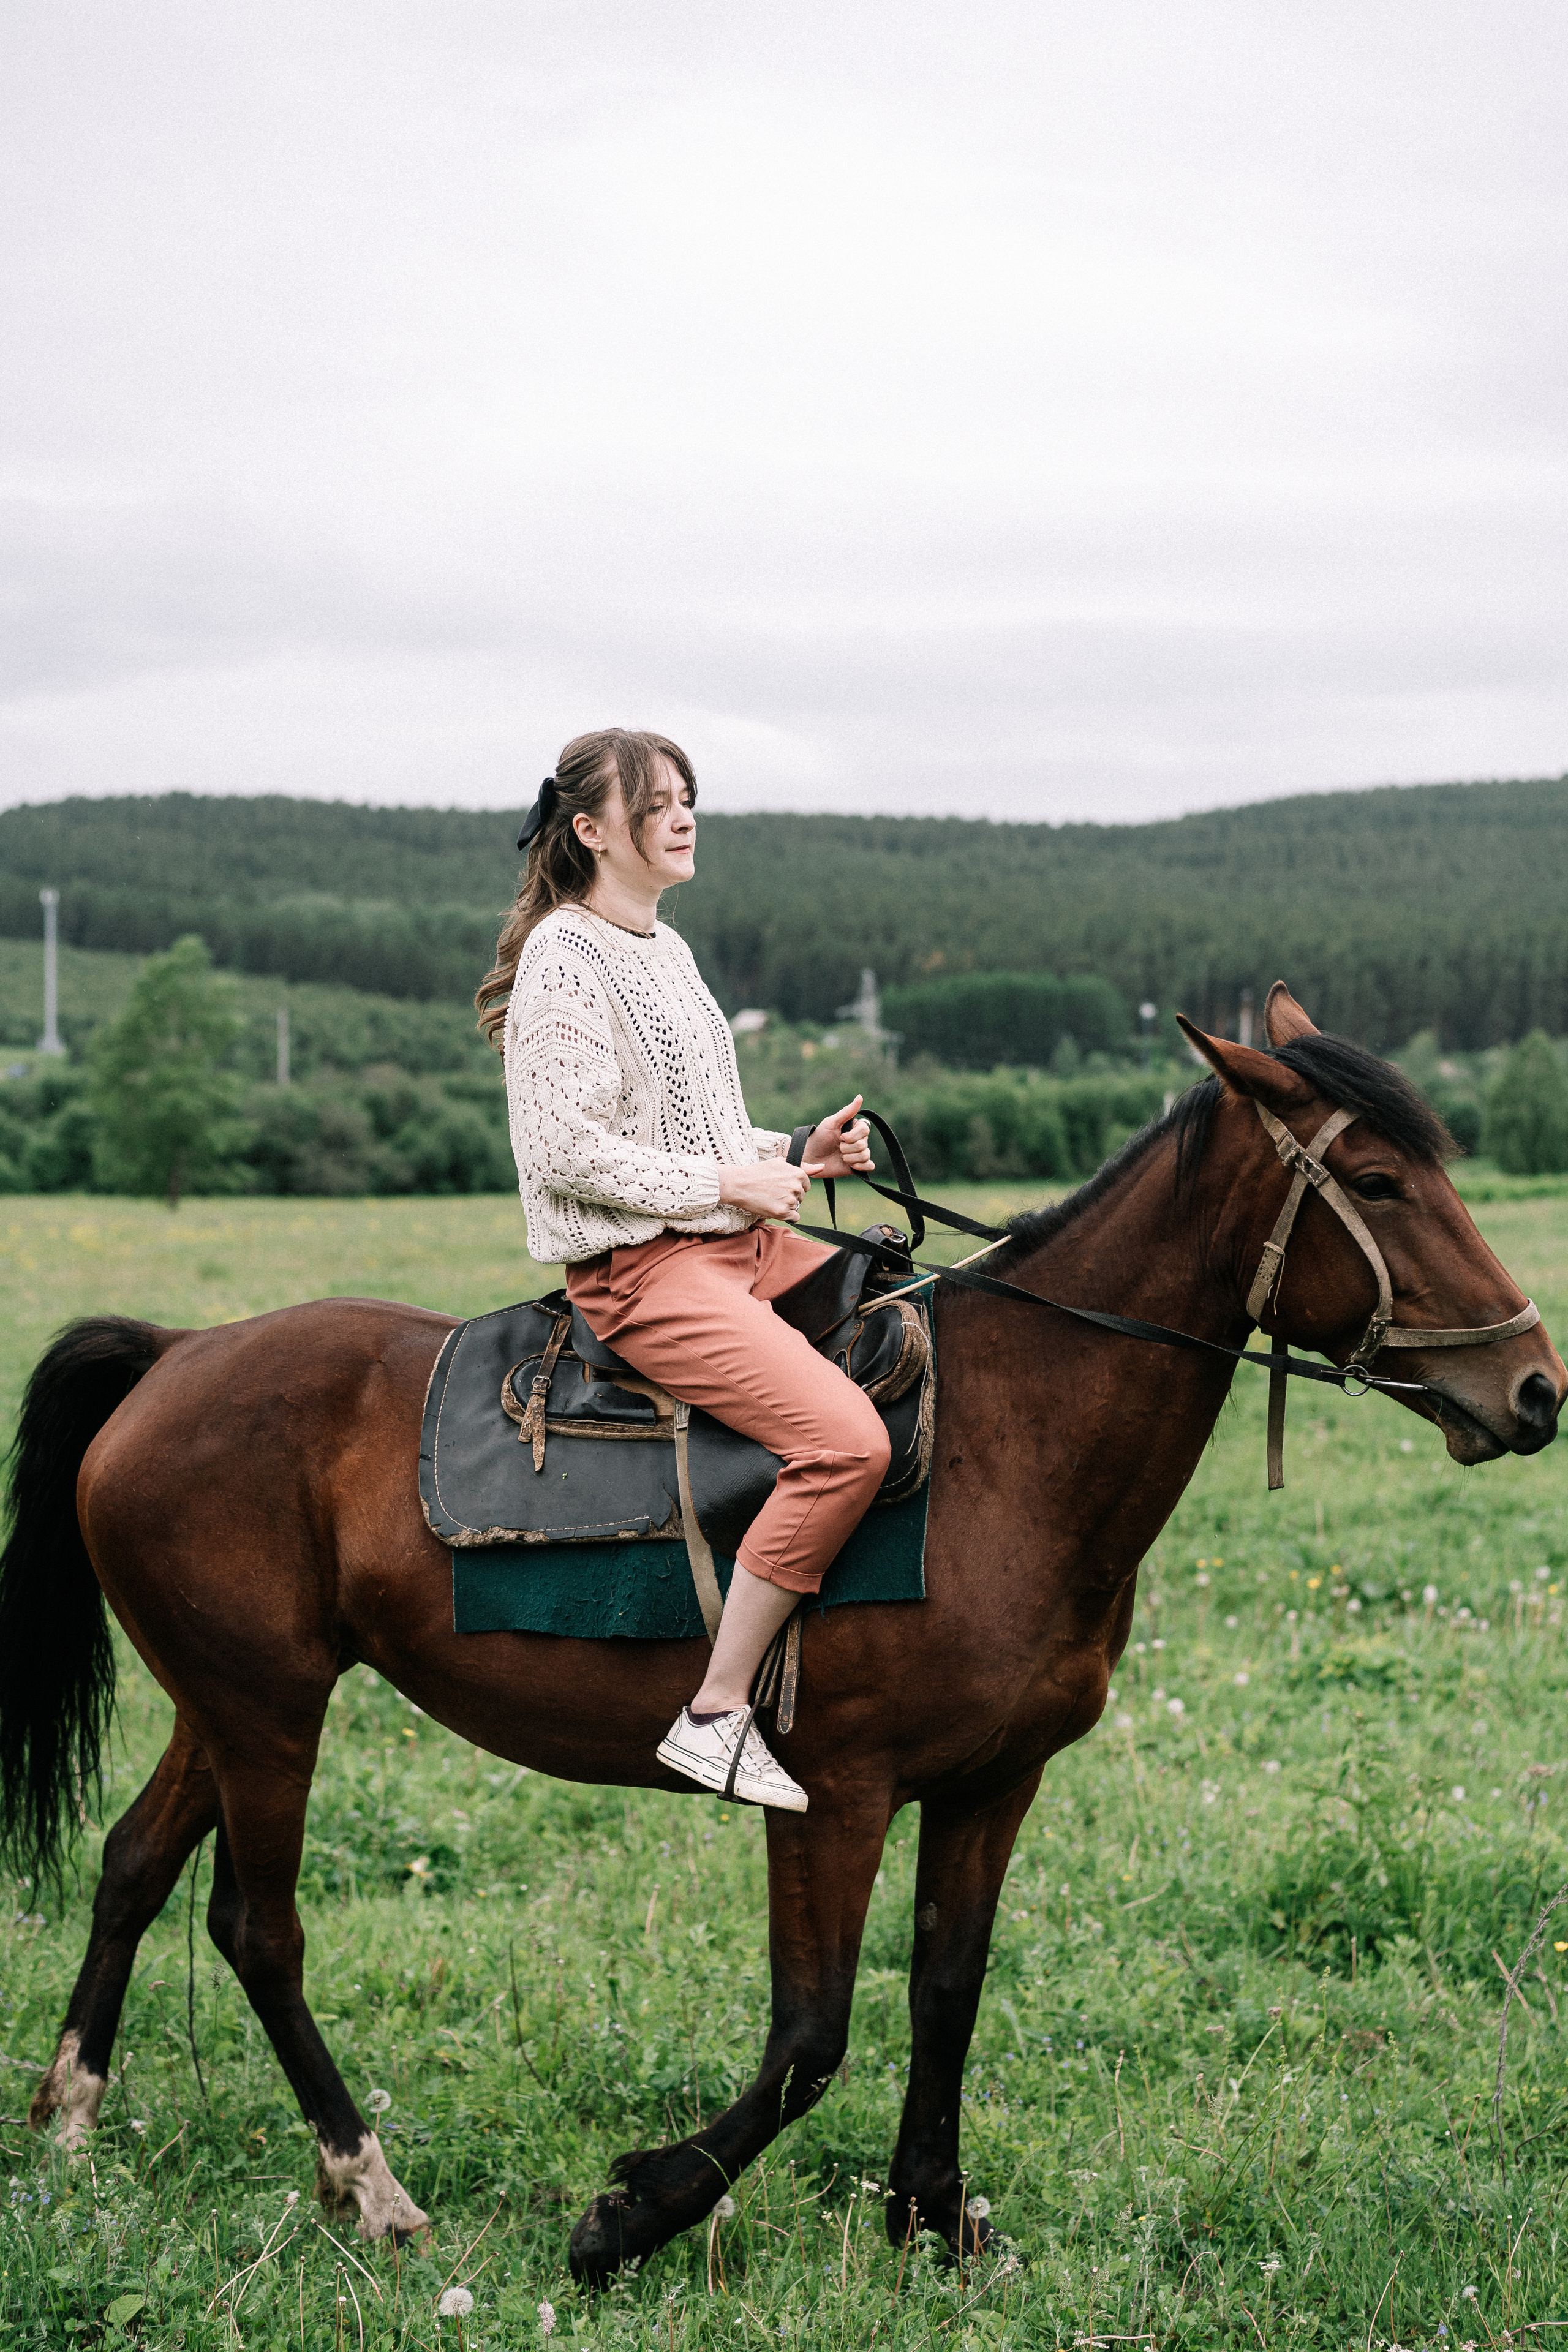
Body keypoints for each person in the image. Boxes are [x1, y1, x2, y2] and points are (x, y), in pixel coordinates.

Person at [476, 728, 891, 1813]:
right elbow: (565, 1151)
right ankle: (713, 1713)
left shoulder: (667, 946)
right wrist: (728, 1183)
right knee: (846, 1441)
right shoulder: (564, 956)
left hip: (731, 1244)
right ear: (591, 830)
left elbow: (695, 1125)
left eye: (689, 797)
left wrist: (792, 1155)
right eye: (657, 803)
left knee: (917, 1311)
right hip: (647, 1276)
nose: (684, 816)